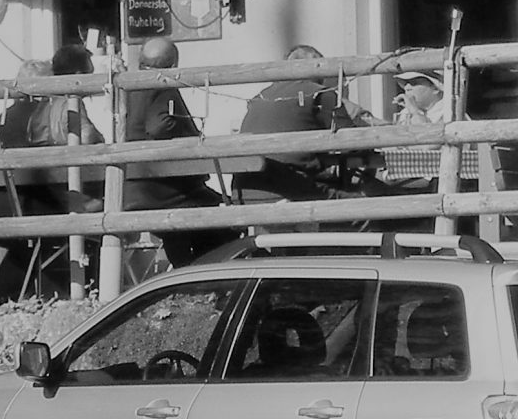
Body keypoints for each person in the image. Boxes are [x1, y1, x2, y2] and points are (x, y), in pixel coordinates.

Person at [0, 50, 103, 301]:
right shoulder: (51, 112)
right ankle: (82, 294)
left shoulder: (5, 116)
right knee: (91, 215)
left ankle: (1, 300)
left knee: (34, 244)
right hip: (25, 206)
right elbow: (88, 140)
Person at [117, 37, 236, 267]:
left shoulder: (129, 86)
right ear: (173, 65)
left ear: (141, 61)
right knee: (221, 216)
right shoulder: (160, 84)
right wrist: (186, 139)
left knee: (187, 225)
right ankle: (204, 274)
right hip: (162, 189)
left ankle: (187, 272)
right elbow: (158, 126)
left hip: (134, 188)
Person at [235, 45, 376, 203]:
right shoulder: (319, 94)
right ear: (317, 67)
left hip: (243, 193)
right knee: (367, 207)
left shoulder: (259, 97)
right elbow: (354, 143)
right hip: (288, 190)